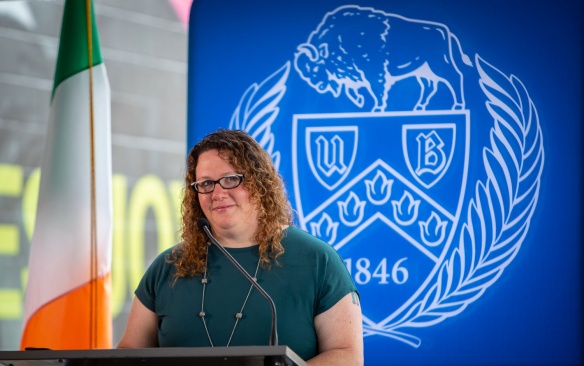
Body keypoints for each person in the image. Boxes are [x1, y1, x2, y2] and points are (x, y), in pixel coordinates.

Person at [117, 129, 363, 365]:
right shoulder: (167, 267)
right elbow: (128, 354)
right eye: (205, 183)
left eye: (231, 179)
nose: (217, 192)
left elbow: (347, 357)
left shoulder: (318, 260)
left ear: (259, 182)